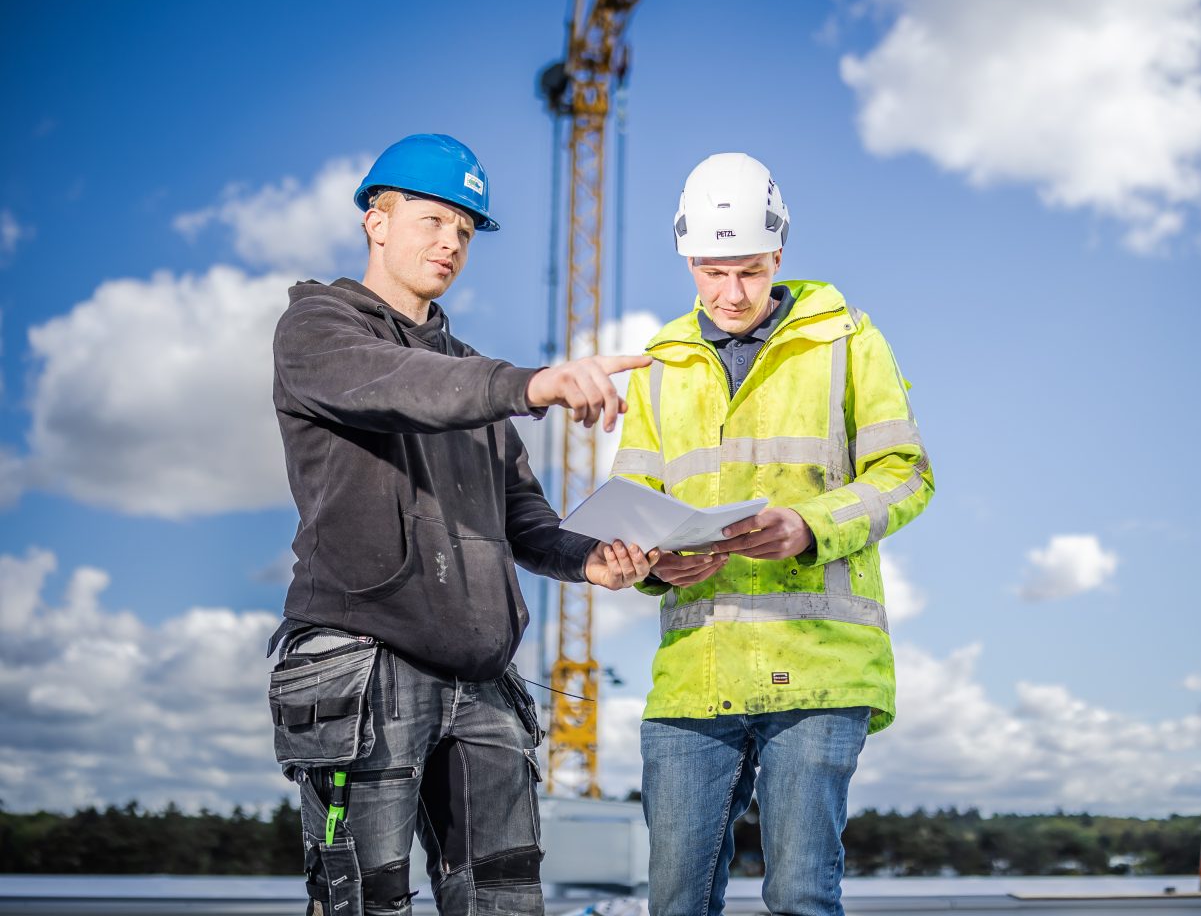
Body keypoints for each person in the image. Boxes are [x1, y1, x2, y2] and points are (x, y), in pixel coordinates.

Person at [267, 133, 656, 916]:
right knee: (364, 902)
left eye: (466, 230)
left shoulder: (471, 374)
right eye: (433, 219)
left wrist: (593, 561)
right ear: (377, 220)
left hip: (481, 681)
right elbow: (397, 384)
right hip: (365, 666)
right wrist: (532, 383)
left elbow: (524, 518)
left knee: (504, 901)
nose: (451, 242)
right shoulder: (317, 330)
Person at [611, 152, 935, 916]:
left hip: (819, 669)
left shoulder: (848, 342)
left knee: (798, 897)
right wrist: (655, 562)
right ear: (688, 258)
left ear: (779, 255)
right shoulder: (658, 367)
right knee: (675, 904)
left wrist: (808, 526)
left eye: (750, 272)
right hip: (697, 675)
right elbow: (633, 506)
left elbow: (907, 475)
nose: (731, 292)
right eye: (713, 272)